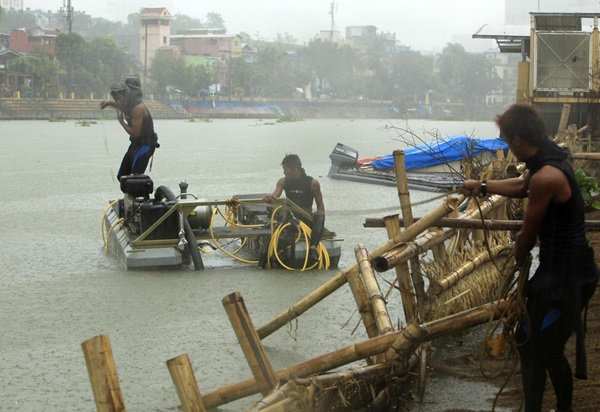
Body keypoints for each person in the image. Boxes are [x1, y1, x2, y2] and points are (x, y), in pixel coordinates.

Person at [460, 104, 599, 412]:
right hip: (555, 273)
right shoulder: (546, 158)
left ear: (519, 140)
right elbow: (523, 185)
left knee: (542, 349)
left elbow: (527, 234)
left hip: (569, 279)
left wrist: (518, 252)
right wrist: (482, 186)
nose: (509, 148)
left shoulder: (547, 175)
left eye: (509, 143)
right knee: (530, 342)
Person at [262, 153, 325, 267]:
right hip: (290, 218)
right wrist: (269, 198)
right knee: (270, 234)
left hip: (306, 219)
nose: (284, 172)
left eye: (286, 170)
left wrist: (319, 222)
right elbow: (275, 196)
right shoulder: (283, 181)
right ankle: (262, 263)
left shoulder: (312, 183)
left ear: (295, 169)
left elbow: (320, 206)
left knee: (319, 215)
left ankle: (313, 248)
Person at [100, 75, 158, 182]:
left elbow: (135, 133)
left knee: (135, 177)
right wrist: (108, 103)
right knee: (122, 176)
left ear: (126, 95)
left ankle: (147, 194)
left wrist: (121, 122)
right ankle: (129, 197)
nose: (117, 101)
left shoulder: (138, 108)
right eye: (115, 99)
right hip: (135, 144)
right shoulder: (126, 102)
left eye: (119, 99)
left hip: (146, 145)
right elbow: (119, 105)